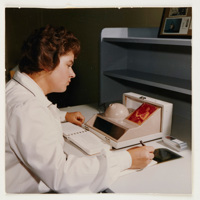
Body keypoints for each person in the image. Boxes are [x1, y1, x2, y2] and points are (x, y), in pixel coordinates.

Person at [5, 25, 155, 193]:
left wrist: (64, 115)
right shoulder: (27, 109)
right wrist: (127, 159)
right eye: (68, 65)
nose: (73, 73)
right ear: (46, 62)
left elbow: (34, 117)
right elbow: (62, 175)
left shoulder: (16, 91)